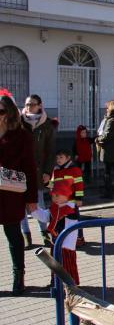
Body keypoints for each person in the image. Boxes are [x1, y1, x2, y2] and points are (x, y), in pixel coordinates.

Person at [0, 89, 38, 295]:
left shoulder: (21, 136)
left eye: (0, 111)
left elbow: (30, 168)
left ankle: (18, 276)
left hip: (11, 193)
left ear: (9, 113)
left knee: (13, 235)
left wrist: (31, 198)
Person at [29, 150, 82, 285]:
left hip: (65, 246)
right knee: (55, 259)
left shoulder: (70, 210)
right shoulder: (54, 206)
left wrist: (78, 199)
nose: (54, 198)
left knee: (66, 258)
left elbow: (78, 185)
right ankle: (56, 282)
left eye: (61, 157)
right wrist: (34, 211)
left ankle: (70, 283)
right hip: (55, 243)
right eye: (53, 196)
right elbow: (46, 216)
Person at [20, 94, 55, 249]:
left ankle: (45, 234)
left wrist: (48, 171)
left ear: (40, 105)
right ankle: (26, 235)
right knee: (20, 204)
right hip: (19, 171)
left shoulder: (46, 125)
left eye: (32, 104)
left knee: (38, 203)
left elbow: (50, 150)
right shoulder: (18, 122)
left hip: (38, 171)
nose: (28, 107)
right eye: (27, 104)